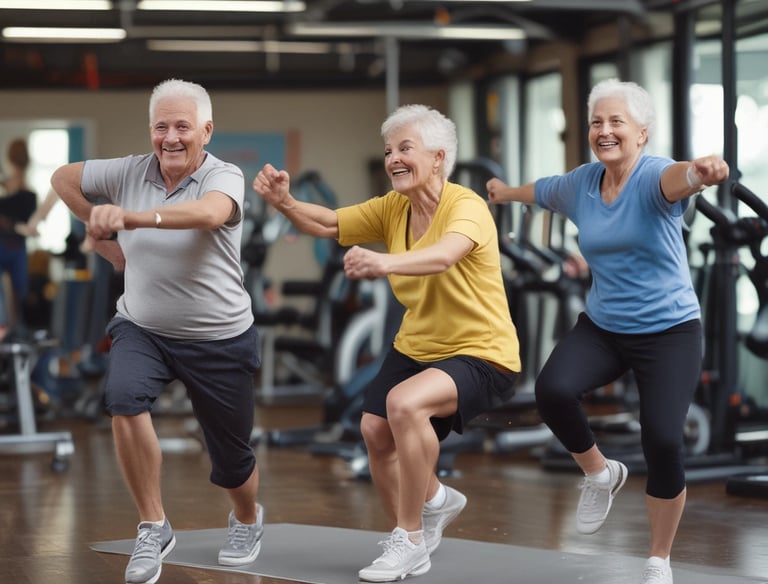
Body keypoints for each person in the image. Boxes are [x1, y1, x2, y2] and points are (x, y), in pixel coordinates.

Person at [253, 103, 521, 583]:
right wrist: (285, 202)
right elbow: (329, 224)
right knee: (375, 432)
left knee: (404, 404)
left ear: (438, 158)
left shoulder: (467, 207)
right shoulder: (394, 207)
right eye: (388, 150)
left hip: (481, 352)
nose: (393, 158)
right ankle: (436, 501)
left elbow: (444, 256)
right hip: (417, 345)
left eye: (405, 148)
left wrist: (383, 264)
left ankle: (409, 538)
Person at [486, 78, 729, 584]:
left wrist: (700, 173)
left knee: (663, 440)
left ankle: (658, 560)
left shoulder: (654, 176)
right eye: (597, 121)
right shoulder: (582, 183)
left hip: (669, 331)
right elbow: (543, 190)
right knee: (553, 390)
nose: (605, 130)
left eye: (617, 121)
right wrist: (505, 193)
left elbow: (680, 179)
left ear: (642, 133)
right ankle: (600, 473)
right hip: (605, 326)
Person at [51, 78, 264, 584]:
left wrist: (131, 218)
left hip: (219, 337)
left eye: (182, 127)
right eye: (161, 126)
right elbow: (62, 178)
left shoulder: (224, 175)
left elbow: (209, 214)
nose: (170, 137)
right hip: (142, 326)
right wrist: (100, 231)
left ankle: (247, 519)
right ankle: (153, 525)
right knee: (122, 398)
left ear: (206, 131)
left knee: (232, 458)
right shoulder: (129, 170)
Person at [0, 138, 38, 338]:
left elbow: (26, 224)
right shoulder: (13, 190)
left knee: (19, 292)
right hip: (7, 246)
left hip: (16, 248)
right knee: (14, 293)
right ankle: (7, 328)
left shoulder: (27, 193)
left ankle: (14, 330)